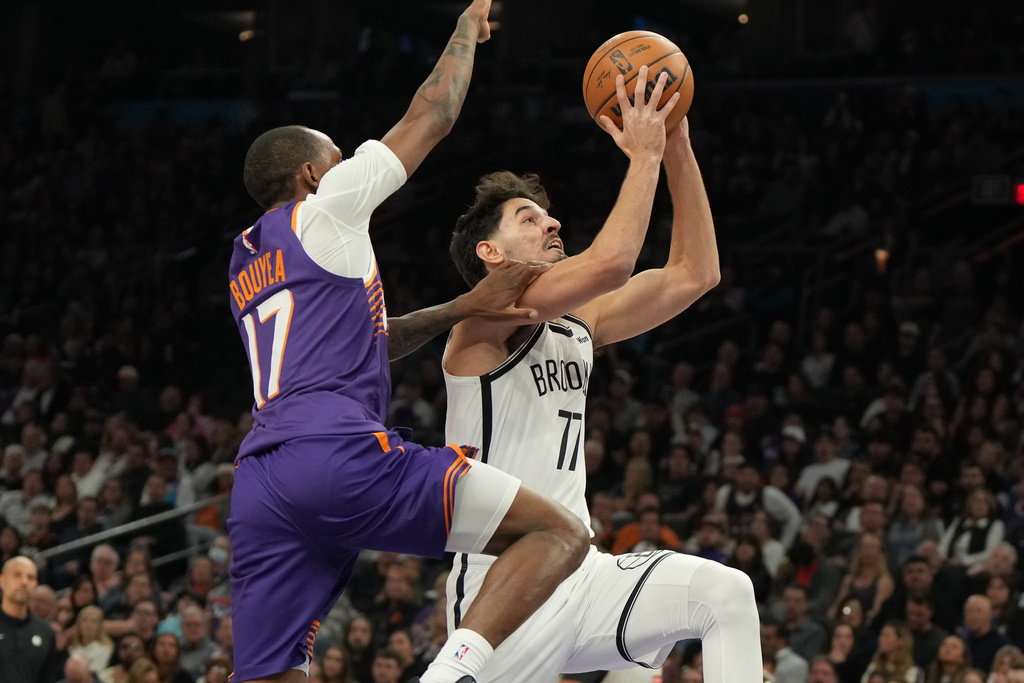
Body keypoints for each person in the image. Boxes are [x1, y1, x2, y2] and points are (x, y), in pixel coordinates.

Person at [226, 2, 590, 682]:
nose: (346, 165)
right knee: (560, 530)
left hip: (261, 480)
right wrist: (463, 30)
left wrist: (459, 307)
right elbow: (432, 113)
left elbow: (366, 344)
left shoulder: (246, 260)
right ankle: (450, 674)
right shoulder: (328, 202)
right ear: (313, 175)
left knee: (273, 672)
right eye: (336, 157)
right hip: (336, 452)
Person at [441, 68, 760, 682]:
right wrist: (642, 154)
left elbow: (697, 273)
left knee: (725, 594)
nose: (552, 223)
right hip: (504, 585)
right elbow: (613, 262)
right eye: (528, 219)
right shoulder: (481, 321)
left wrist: (677, 144)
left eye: (547, 215)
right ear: (490, 253)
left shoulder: (579, 321)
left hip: (581, 569)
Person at [0, 555, 61, 683]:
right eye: (17, 575)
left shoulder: (46, 633)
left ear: (35, 585)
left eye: (30, 577)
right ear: (2, 580)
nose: (24, 582)